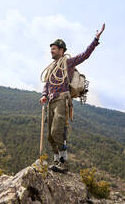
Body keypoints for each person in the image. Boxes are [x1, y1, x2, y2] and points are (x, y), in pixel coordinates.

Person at [40, 23, 105, 172]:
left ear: (61, 50)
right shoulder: (51, 67)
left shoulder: (68, 63)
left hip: (62, 100)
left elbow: (85, 55)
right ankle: (56, 161)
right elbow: (47, 84)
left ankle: (64, 163)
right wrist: (44, 95)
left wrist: (95, 40)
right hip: (51, 101)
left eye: (54, 49)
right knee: (50, 135)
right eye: (51, 49)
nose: (52, 51)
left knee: (57, 131)